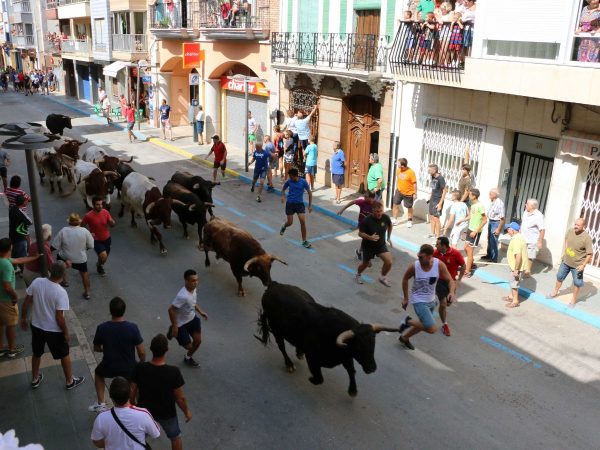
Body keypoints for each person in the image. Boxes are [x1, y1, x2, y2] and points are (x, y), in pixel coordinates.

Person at [20, 261, 85, 389]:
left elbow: (27, 300)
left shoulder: (37, 282)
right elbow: (59, 317)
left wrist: (23, 317)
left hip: (37, 326)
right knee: (64, 354)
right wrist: (66, 332)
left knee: (37, 353)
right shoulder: (61, 292)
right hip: (53, 330)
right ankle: (69, 381)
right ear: (63, 274)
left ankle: (34, 378)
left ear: (50, 270)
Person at [131, 334, 192, 450]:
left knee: (137, 437)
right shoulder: (174, 372)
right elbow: (180, 398)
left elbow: (132, 390)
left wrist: (132, 404)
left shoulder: (140, 368)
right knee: (175, 437)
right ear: (167, 350)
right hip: (167, 413)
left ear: (151, 349)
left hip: (145, 412)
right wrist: (186, 411)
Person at [89, 297, 145, 413]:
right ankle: (133, 406)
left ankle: (101, 403)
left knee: (99, 373)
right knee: (134, 382)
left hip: (110, 366)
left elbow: (96, 347)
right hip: (129, 366)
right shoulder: (132, 328)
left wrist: (107, 349)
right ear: (124, 310)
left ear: (110, 311)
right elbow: (141, 351)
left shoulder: (102, 328)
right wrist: (141, 364)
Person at [398, 244, 456, 350]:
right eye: (418, 256)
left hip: (431, 300)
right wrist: (406, 298)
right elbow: (405, 279)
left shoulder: (439, 265)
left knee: (423, 324)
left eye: (421, 257)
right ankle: (407, 321)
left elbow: (450, 280)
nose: (418, 258)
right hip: (418, 300)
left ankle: (404, 338)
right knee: (431, 328)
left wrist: (451, 292)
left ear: (430, 257)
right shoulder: (414, 266)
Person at [91, 377, 160, 449]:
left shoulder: (101, 418)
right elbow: (156, 434)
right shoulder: (143, 414)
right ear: (130, 393)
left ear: (111, 396)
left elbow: (97, 441)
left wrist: (111, 444)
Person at [0, 238, 39, 358]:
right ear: (10, 248)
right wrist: (14, 296)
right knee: (11, 325)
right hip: (6, 300)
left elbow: (18, 260)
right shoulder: (6, 265)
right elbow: (7, 286)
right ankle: (11, 349)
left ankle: (1, 348)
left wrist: (34, 257)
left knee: (1, 323)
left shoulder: (3, 259)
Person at [167, 270, 208, 368]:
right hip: (180, 324)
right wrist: (175, 326)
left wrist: (200, 311)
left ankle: (188, 358)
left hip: (192, 319)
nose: (196, 283)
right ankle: (172, 329)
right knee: (189, 346)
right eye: (193, 281)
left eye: (197, 280)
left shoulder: (194, 289)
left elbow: (192, 302)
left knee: (197, 342)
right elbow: (171, 310)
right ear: (186, 281)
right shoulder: (182, 296)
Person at [550, 218, 593, 307]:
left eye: (578, 225)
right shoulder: (570, 231)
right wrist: (566, 249)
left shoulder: (587, 238)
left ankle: (573, 300)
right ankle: (555, 291)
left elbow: (589, 254)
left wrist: (583, 265)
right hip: (566, 262)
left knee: (577, 283)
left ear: (583, 226)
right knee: (559, 277)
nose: (576, 226)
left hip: (578, 266)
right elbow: (566, 238)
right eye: (575, 224)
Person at [52, 213, 94, 299]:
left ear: (69, 222)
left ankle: (65, 280)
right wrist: (83, 249)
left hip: (65, 257)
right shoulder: (85, 231)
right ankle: (87, 292)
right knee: (84, 274)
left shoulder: (63, 230)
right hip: (80, 258)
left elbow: (54, 246)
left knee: (59, 260)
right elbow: (91, 246)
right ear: (79, 222)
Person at [355, 201, 393, 287]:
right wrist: (370, 237)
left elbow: (390, 225)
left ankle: (382, 277)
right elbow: (360, 233)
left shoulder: (385, 217)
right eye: (377, 211)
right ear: (372, 211)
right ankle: (358, 274)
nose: (379, 213)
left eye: (381, 211)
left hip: (380, 245)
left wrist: (388, 237)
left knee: (389, 262)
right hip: (368, 246)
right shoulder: (366, 220)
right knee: (365, 264)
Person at [434, 236, 465, 336]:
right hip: (439, 281)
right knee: (443, 304)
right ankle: (445, 324)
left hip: (451, 282)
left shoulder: (455, 254)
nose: (436, 246)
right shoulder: (435, 253)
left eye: (437, 244)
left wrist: (459, 280)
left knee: (448, 303)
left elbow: (463, 265)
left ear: (444, 246)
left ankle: (436, 303)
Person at [82, 197, 116, 277]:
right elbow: (82, 226)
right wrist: (88, 234)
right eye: (97, 205)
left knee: (104, 258)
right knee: (103, 255)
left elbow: (112, 225)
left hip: (107, 238)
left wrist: (112, 222)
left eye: (101, 204)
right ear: (93, 205)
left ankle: (99, 264)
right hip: (96, 240)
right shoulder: (88, 216)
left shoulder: (105, 212)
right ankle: (99, 266)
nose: (100, 206)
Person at [280, 168, 313, 249]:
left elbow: (310, 193)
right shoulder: (289, 181)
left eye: (291, 177)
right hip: (290, 204)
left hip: (299, 204)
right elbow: (283, 189)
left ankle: (304, 241)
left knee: (302, 222)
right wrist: (282, 196)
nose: (290, 178)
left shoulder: (303, 182)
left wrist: (310, 205)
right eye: (289, 177)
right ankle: (284, 226)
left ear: (296, 176)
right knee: (290, 223)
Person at [338, 190, 376, 259]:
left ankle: (360, 252)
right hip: (362, 224)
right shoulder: (362, 201)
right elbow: (351, 202)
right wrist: (342, 210)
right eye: (364, 195)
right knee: (367, 238)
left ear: (371, 198)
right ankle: (364, 252)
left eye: (366, 196)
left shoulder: (376, 204)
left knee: (367, 239)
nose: (364, 197)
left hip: (371, 224)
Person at [463, 188, 487, 277]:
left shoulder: (480, 206)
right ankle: (471, 264)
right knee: (465, 248)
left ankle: (468, 272)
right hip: (470, 229)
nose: (468, 196)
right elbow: (470, 216)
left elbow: (485, 220)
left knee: (469, 251)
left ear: (474, 196)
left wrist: (476, 231)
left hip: (475, 231)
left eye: (469, 195)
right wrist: (462, 220)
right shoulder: (473, 205)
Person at [503, 222, 528, 309]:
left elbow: (518, 256)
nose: (507, 231)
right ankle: (511, 297)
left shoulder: (516, 240)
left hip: (517, 267)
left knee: (514, 284)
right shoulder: (519, 237)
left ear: (513, 230)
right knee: (512, 282)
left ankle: (515, 301)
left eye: (508, 229)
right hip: (516, 266)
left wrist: (516, 269)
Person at [520, 198, 545, 276]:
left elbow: (542, 229)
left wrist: (540, 241)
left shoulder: (538, 216)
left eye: (527, 204)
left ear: (532, 206)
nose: (525, 205)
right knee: (521, 253)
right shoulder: (525, 212)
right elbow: (523, 224)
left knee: (530, 256)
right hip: (523, 238)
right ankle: (520, 268)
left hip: (532, 240)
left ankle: (527, 271)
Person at [481, 187, 505, 263]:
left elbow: (502, 218)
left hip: (496, 223)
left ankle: (494, 258)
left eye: (490, 194)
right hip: (491, 222)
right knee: (489, 239)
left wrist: (498, 229)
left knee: (494, 241)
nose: (489, 195)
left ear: (495, 195)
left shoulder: (499, 203)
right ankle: (489, 255)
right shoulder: (493, 201)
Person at [391, 158, 417, 227]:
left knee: (409, 207)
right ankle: (394, 219)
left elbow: (414, 183)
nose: (397, 165)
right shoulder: (398, 170)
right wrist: (398, 187)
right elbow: (398, 179)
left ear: (403, 165)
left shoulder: (411, 172)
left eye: (398, 164)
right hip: (399, 191)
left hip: (408, 193)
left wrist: (415, 193)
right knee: (395, 204)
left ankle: (409, 220)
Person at [8, 195, 32, 263]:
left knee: (14, 254)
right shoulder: (21, 213)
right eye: (26, 200)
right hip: (20, 237)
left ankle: (15, 267)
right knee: (22, 257)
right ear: (24, 203)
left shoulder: (12, 209)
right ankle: (21, 269)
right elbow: (30, 222)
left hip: (12, 234)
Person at [426, 164, 447, 240]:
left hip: (438, 200)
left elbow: (445, 191)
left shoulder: (441, 178)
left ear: (434, 170)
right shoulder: (432, 177)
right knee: (431, 217)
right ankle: (433, 233)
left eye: (430, 170)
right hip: (432, 200)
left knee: (436, 219)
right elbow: (433, 188)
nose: (428, 171)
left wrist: (440, 204)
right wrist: (430, 197)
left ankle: (438, 238)